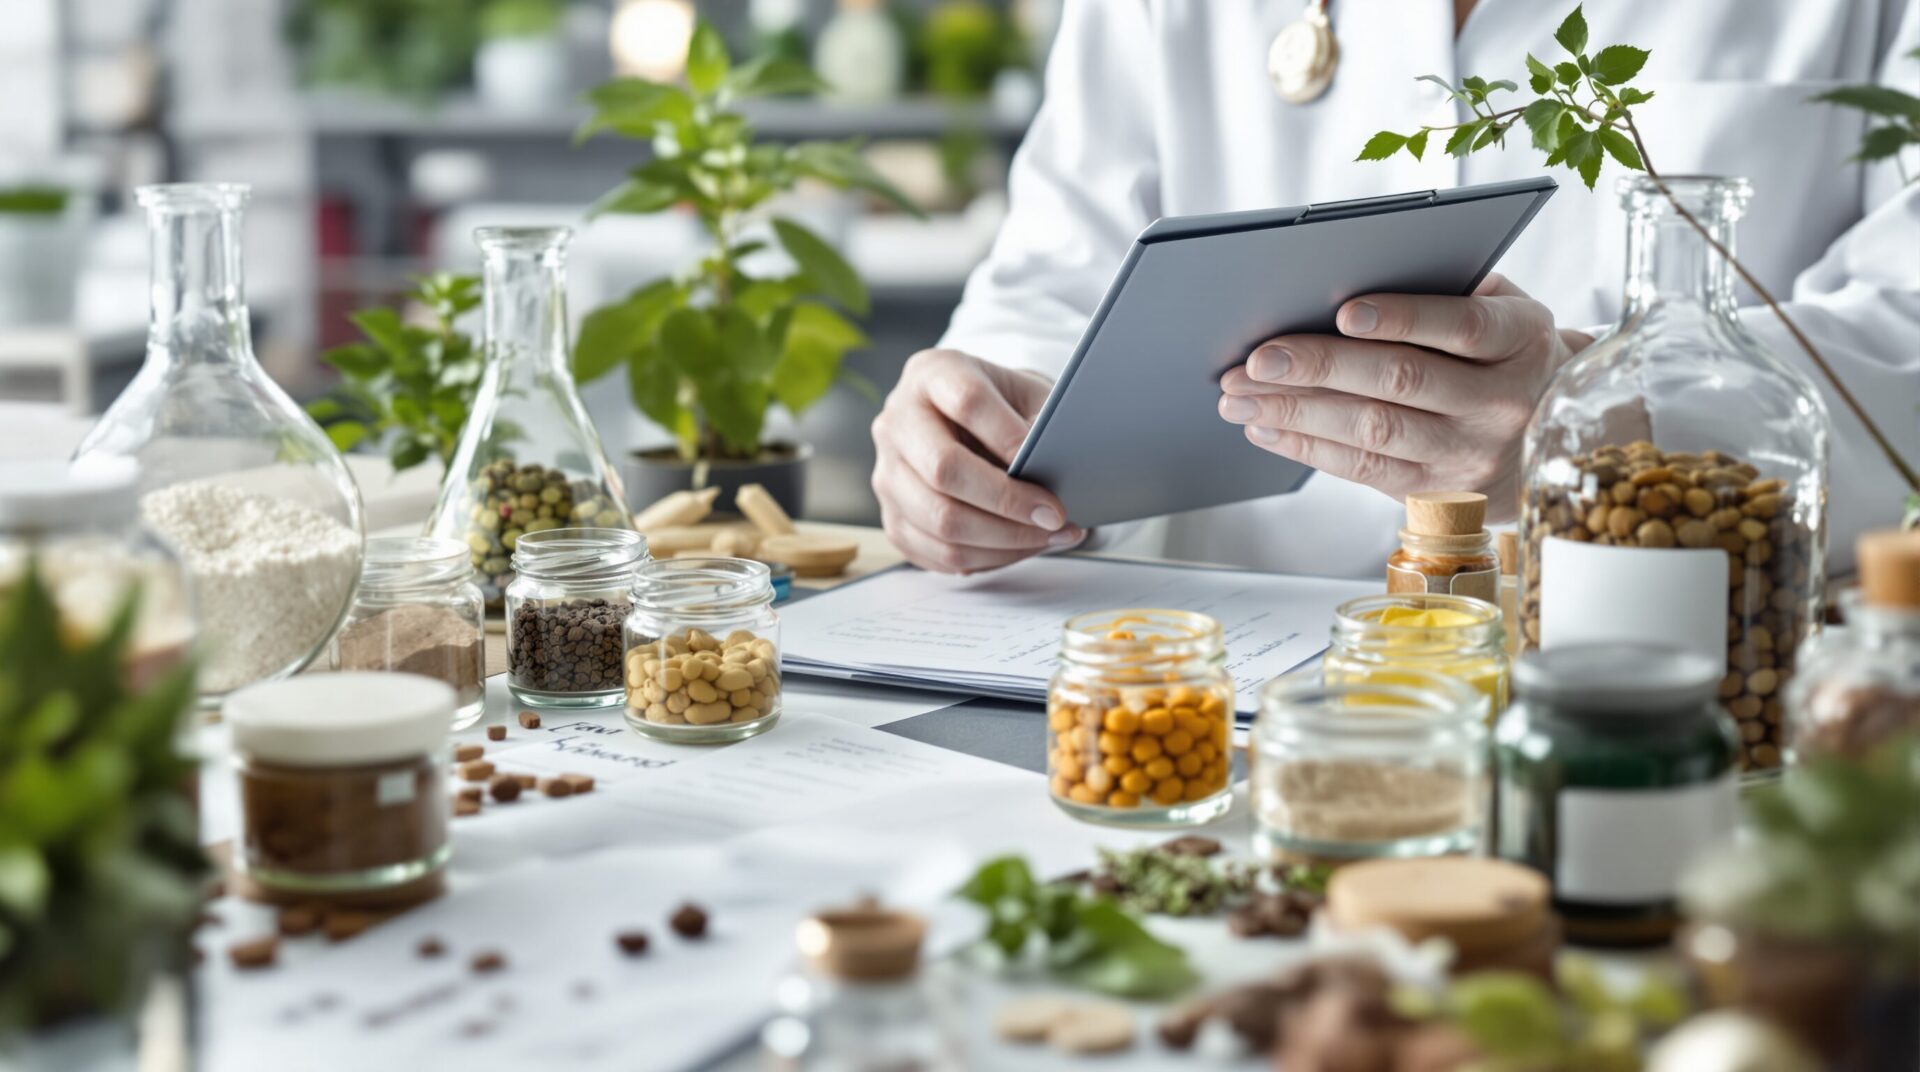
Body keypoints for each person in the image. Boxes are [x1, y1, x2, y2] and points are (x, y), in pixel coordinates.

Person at [870, 0, 1920, 577]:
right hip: (1209, 697)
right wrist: (979, 447)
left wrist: (1602, 431)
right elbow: (1056, 288)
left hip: (1672, 699)